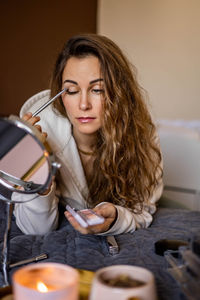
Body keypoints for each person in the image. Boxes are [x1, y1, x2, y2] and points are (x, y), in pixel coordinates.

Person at [13, 33, 163, 235]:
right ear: (60, 93)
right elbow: (36, 230)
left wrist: (116, 218)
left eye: (98, 90)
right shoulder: (42, 131)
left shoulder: (141, 133)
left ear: (119, 93)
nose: (84, 105)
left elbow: (142, 211)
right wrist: (35, 164)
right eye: (72, 90)